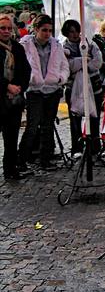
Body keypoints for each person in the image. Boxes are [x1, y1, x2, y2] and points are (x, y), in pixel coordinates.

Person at [18, 14, 69, 171]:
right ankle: (22, 159)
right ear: (36, 29)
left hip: (52, 89)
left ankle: (45, 159)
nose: (47, 33)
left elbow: (64, 65)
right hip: (34, 90)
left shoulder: (56, 45)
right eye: (44, 30)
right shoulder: (25, 45)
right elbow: (23, 65)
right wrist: (31, 78)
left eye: (49, 30)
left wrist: (60, 78)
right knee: (32, 126)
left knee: (48, 126)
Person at [62, 19, 104, 156]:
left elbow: (97, 62)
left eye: (76, 31)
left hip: (94, 86)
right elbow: (67, 66)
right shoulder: (64, 48)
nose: (74, 35)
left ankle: (95, 147)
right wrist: (83, 61)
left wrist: (81, 65)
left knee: (94, 118)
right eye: (71, 32)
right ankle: (77, 148)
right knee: (75, 119)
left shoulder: (89, 44)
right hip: (73, 88)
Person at [0, 13, 31, 180]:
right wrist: (6, 86)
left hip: (15, 99)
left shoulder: (17, 48)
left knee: (11, 137)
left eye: (8, 28)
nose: (6, 31)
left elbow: (26, 70)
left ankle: (10, 169)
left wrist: (19, 87)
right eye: (2, 28)